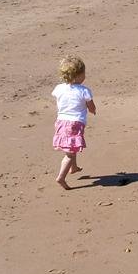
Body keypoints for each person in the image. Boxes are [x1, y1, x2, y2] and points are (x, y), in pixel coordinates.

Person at [52, 55, 97, 190]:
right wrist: (93, 110)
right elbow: (91, 106)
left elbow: (58, 97)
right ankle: (61, 177)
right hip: (74, 123)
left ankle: (74, 167)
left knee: (71, 146)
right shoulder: (84, 90)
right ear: (78, 75)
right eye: (83, 73)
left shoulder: (59, 88)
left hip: (61, 122)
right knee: (70, 153)